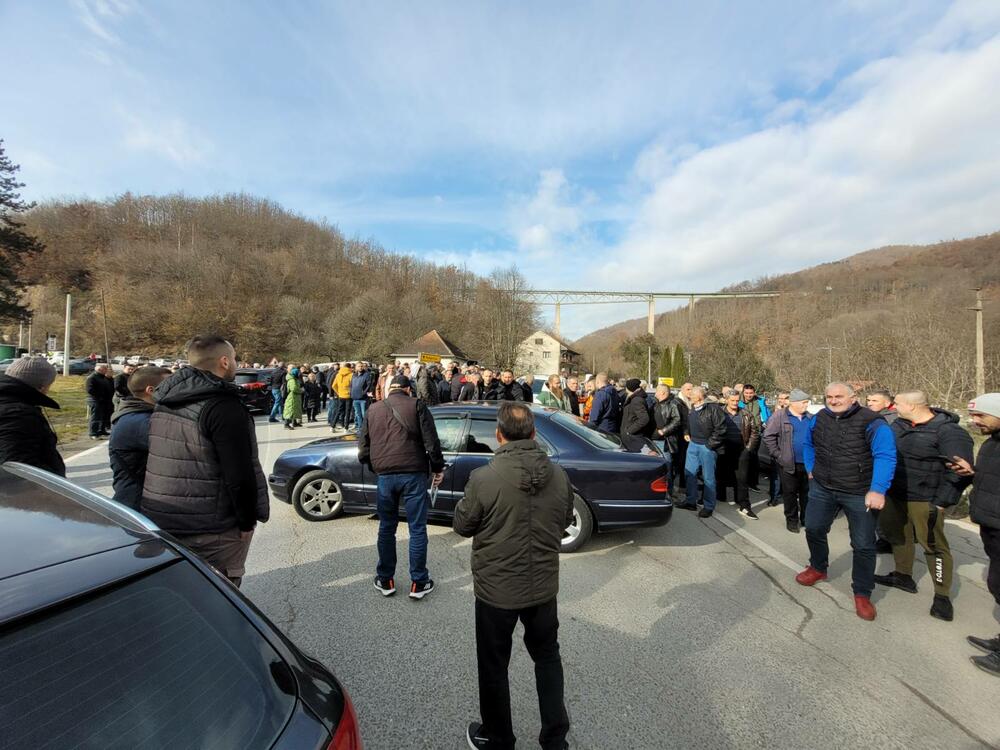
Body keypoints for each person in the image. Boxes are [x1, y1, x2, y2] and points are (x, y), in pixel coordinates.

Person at [453, 402, 572, 750]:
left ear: (499, 435)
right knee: (548, 658)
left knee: (493, 666)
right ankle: (555, 740)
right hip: (543, 587)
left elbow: (463, 525)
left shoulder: (484, 477)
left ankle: (499, 739)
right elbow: (564, 522)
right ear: (534, 434)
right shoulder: (560, 475)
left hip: (497, 590)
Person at [141, 335, 270, 587]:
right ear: (224, 361)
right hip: (212, 527)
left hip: (164, 519)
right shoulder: (223, 406)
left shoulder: (164, 400)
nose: (235, 363)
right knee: (220, 598)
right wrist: (246, 521)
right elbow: (238, 474)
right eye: (233, 358)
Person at [795, 382, 896, 621]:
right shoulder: (819, 418)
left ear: (853, 398)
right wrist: (810, 468)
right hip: (822, 487)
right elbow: (808, 443)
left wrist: (878, 489)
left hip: (859, 492)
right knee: (814, 528)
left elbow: (885, 455)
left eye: (839, 396)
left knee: (863, 544)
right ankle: (818, 567)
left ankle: (862, 592)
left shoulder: (872, 422)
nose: (833, 400)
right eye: (829, 396)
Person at [873, 390, 973, 622]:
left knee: (934, 546)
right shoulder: (899, 425)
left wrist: (942, 502)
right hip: (895, 494)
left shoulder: (948, 431)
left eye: (897, 404)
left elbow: (960, 471)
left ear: (912, 405)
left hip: (925, 497)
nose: (893, 407)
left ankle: (942, 595)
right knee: (898, 535)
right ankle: (903, 575)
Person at [358, 375, 445, 600]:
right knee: (417, 528)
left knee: (387, 528)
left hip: (385, 475)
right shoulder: (417, 405)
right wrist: (438, 468)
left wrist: (375, 467)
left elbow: (363, 448)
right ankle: (419, 582)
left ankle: (385, 578)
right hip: (414, 474)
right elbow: (431, 442)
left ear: (389, 389)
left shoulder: (373, 409)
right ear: (408, 389)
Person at [951, 394, 1000, 674]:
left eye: (981, 415)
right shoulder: (992, 444)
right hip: (991, 523)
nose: (974, 421)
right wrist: (972, 473)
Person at [109, 366, 171, 510]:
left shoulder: (140, 413)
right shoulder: (139, 421)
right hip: (138, 503)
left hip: (144, 499)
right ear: (151, 391)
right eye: (170, 385)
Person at [0, 357, 65, 476]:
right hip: (24, 491)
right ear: (42, 387)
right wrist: (52, 484)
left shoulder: (11, 403)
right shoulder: (17, 414)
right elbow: (17, 466)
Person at [762, 389, 814, 533]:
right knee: (790, 493)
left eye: (807, 402)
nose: (806, 405)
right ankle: (792, 521)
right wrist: (778, 455)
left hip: (808, 463)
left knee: (807, 493)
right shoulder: (780, 416)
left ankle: (806, 519)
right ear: (794, 403)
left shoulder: (810, 417)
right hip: (788, 463)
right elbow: (768, 436)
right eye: (804, 402)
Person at [677, 386, 726, 517]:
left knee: (708, 478)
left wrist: (709, 445)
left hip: (707, 447)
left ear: (699, 396)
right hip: (693, 445)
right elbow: (688, 423)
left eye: (692, 394)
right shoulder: (692, 408)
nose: (690, 395)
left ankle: (708, 506)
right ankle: (690, 501)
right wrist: (687, 432)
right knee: (690, 474)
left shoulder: (713, 409)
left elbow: (721, 429)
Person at [718, 389, 761, 519]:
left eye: (737, 400)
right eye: (732, 401)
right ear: (726, 400)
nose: (735, 403)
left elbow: (755, 433)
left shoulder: (746, 414)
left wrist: (748, 449)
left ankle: (744, 505)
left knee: (742, 478)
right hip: (723, 449)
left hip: (741, 449)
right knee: (720, 474)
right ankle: (719, 496)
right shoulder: (719, 413)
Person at [652, 384, 682, 480]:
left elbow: (677, 420)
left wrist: (663, 431)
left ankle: (668, 492)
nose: (655, 393)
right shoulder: (655, 403)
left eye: (657, 390)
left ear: (662, 392)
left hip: (665, 441)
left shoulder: (673, 404)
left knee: (666, 467)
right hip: (653, 440)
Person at [620, 378, 653, 452]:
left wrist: (629, 431)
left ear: (629, 388)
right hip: (630, 437)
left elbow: (644, 418)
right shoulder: (634, 398)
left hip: (633, 438)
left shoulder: (637, 400)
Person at [85, 363, 115, 439]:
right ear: (99, 369)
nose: (106, 371)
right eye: (105, 369)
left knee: (103, 416)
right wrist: (100, 396)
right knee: (95, 417)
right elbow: (90, 390)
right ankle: (93, 433)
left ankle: (101, 430)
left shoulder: (103, 378)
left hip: (104, 400)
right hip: (95, 400)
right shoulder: (92, 378)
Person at [351, 361, 375, 429]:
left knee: (364, 414)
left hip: (363, 399)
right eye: (359, 366)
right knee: (358, 415)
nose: (360, 367)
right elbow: (351, 385)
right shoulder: (354, 375)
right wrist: (351, 393)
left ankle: (366, 429)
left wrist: (363, 393)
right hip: (355, 398)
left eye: (361, 366)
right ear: (356, 367)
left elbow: (369, 385)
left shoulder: (367, 374)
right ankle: (360, 429)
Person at [332, 362, 354, 430]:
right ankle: (346, 428)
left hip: (341, 395)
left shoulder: (338, 374)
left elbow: (333, 386)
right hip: (348, 395)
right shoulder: (351, 374)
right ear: (349, 367)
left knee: (339, 411)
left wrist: (338, 392)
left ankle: (333, 426)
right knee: (348, 412)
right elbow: (353, 385)